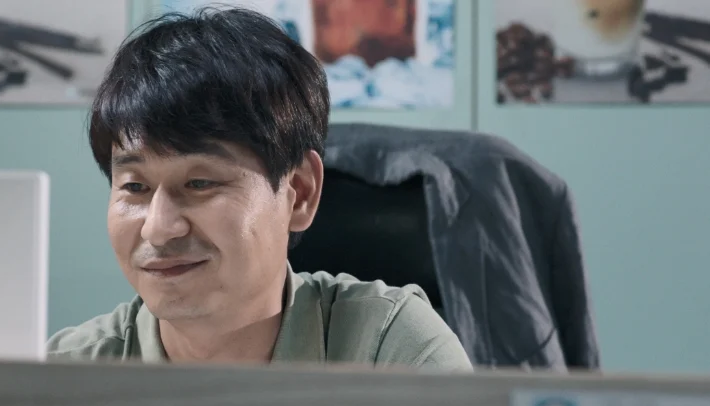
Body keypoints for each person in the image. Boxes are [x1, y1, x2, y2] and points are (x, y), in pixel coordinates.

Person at [46, 7, 472, 371]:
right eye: (135, 187)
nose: (158, 229)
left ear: (299, 192)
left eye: (199, 183)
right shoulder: (64, 375)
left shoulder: (395, 353)